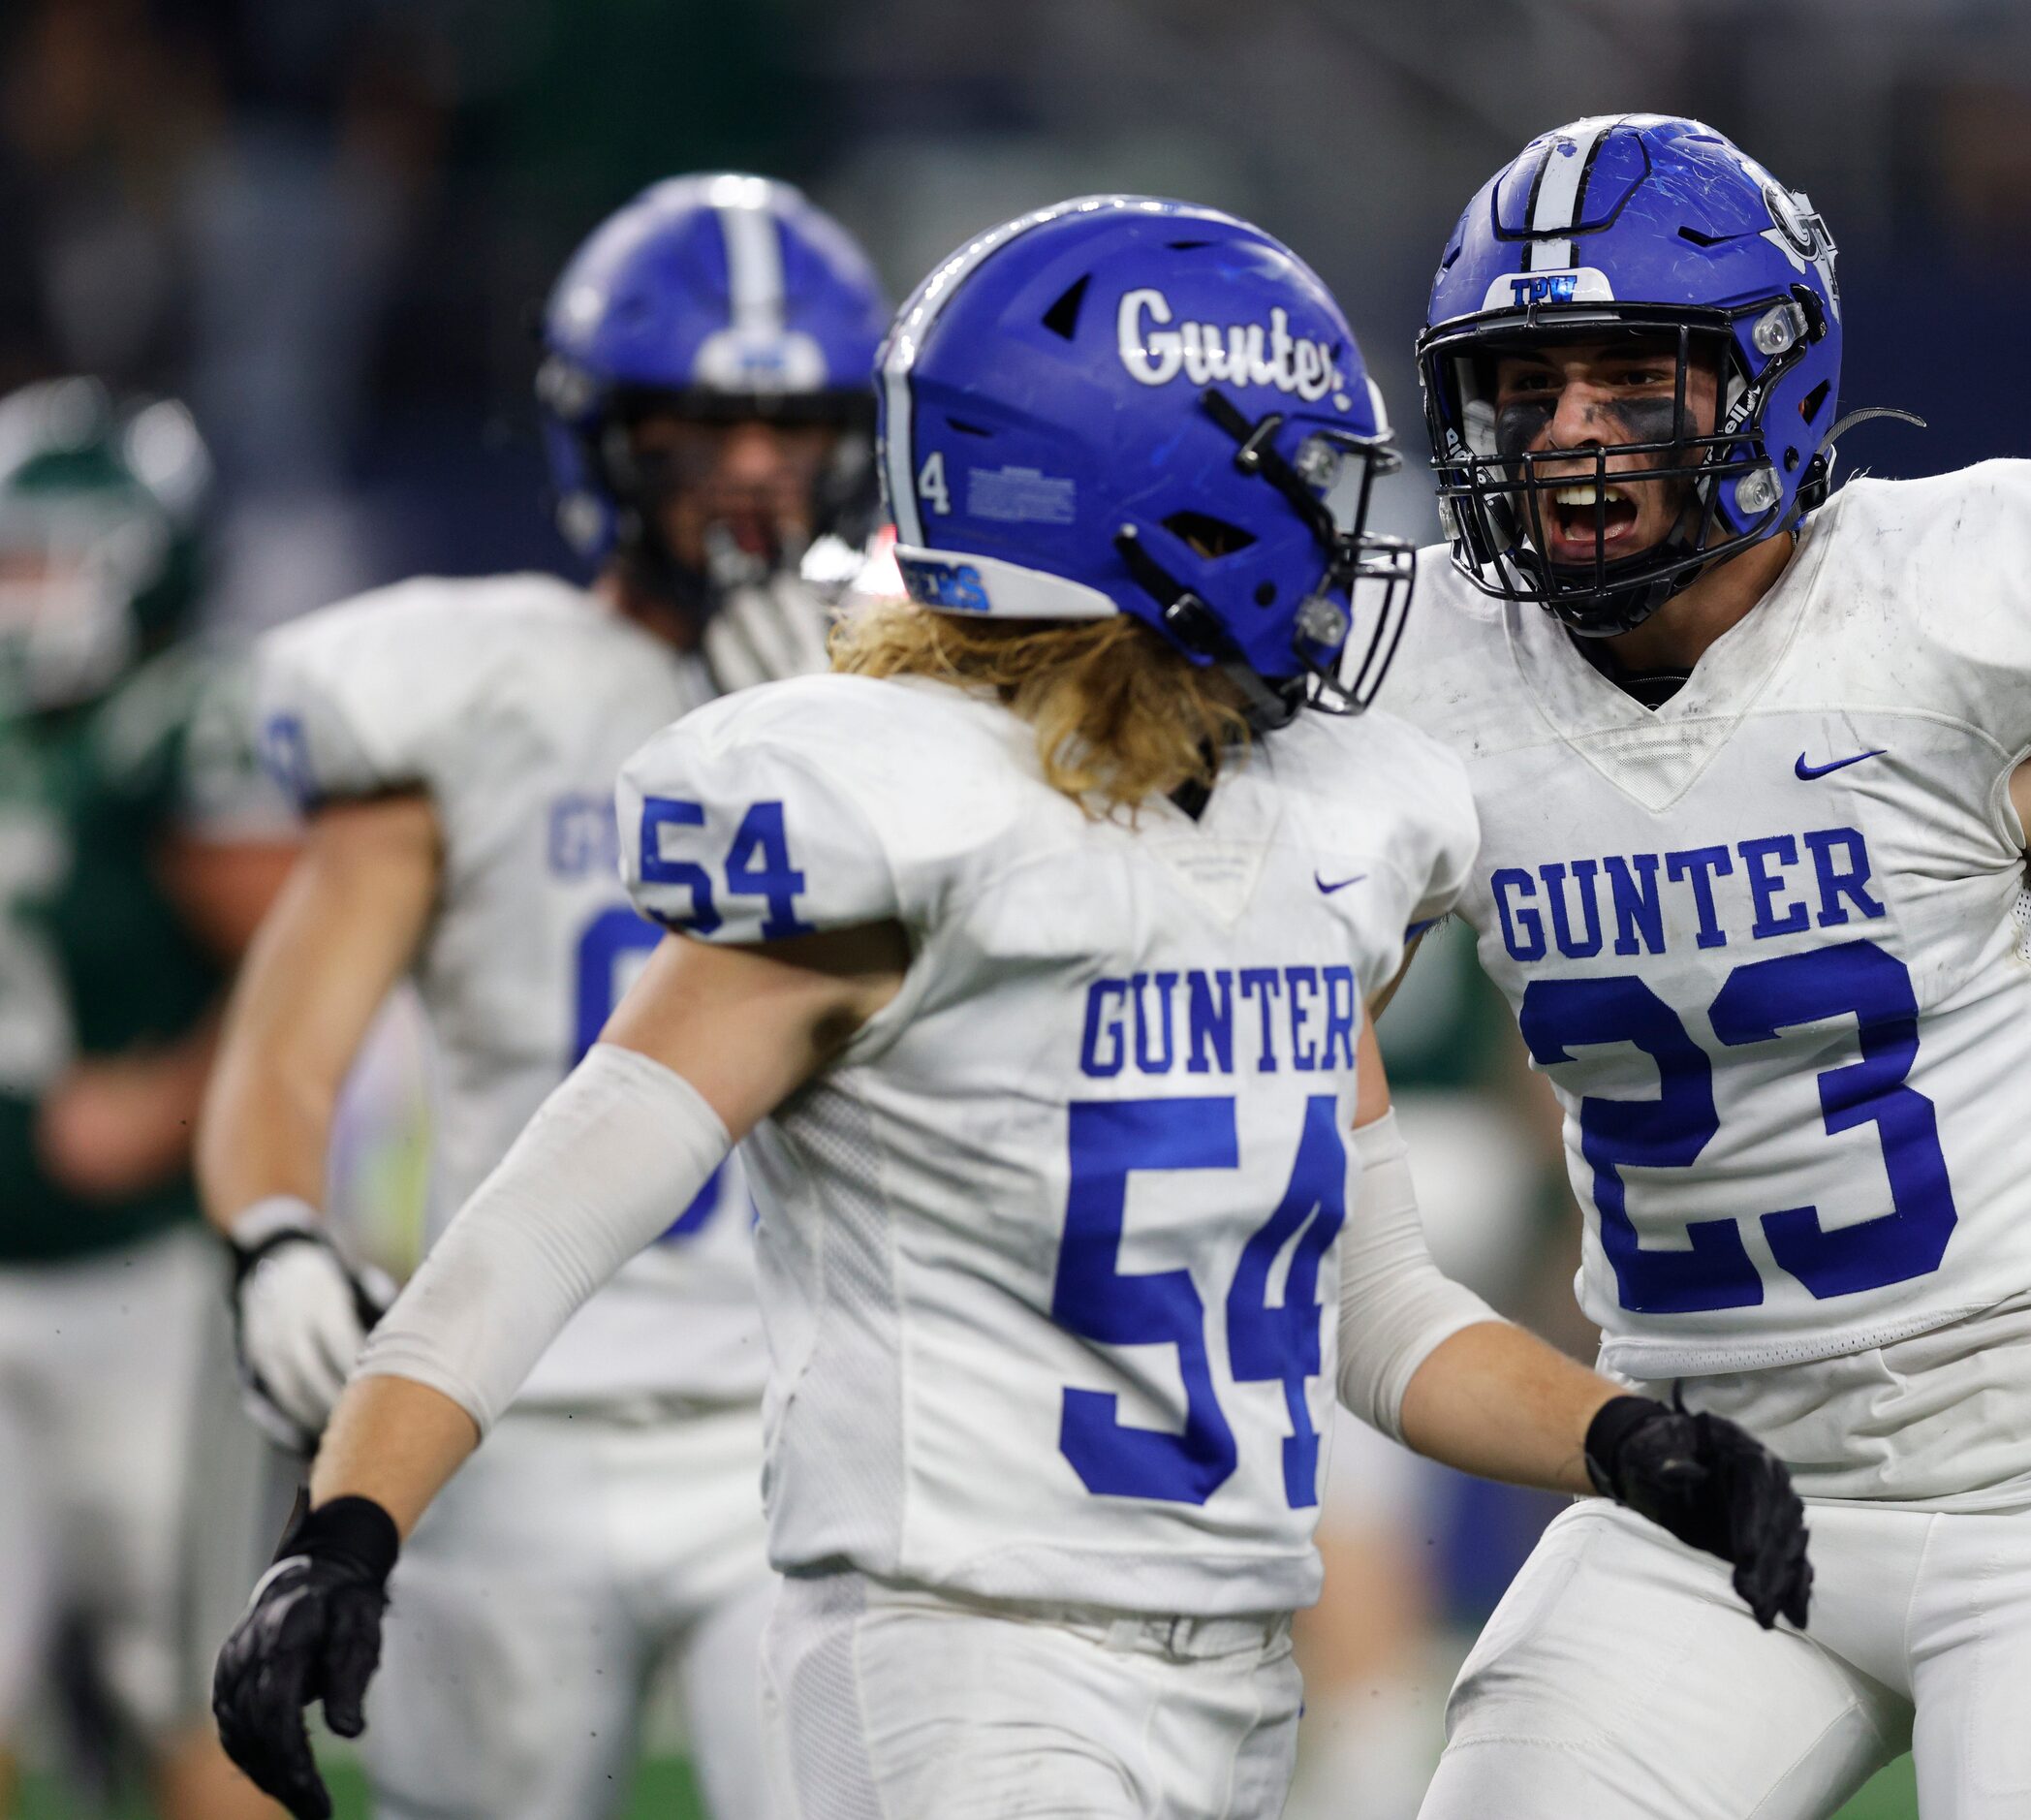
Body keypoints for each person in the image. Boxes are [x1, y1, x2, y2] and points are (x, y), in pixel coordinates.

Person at [205, 194, 1814, 1820]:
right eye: (1303, 484)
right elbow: (537, 1229)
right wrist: (344, 1529)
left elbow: (1377, 1313)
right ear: (1176, 508)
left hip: (1235, 1667)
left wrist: (1626, 1440)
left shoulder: (1311, 830)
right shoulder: (891, 830)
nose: (1342, 541)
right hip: (961, 1663)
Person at [1381, 114, 2031, 1820]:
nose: (1570, 433)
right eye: (1526, 382)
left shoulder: (1951, 618)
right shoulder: (1432, 684)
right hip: (1699, 1471)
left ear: (1765, 384)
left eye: (1629, 377)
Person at [194, 172, 887, 1820]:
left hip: (811, 1408)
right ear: (602, 433)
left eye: (788, 425)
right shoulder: (470, 684)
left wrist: (834, 721)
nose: (748, 472)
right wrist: (276, 1228)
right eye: (697, 426)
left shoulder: (909, 684)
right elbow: (288, 1046)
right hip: (511, 1411)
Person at [0, 378, 292, 1820]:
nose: (23, 590)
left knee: (201, 1706)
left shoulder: (190, 719)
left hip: (149, 1283)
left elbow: (300, 968)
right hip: (7, 1268)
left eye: (53, 552)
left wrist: (171, 1098)